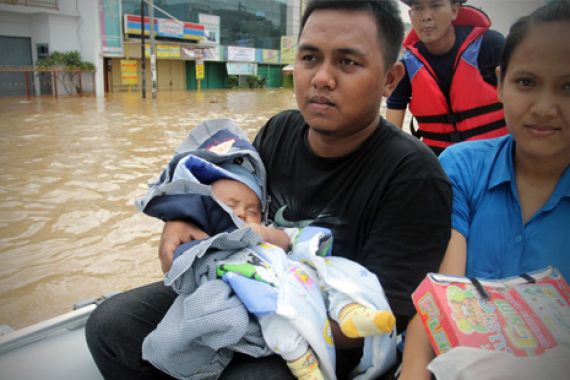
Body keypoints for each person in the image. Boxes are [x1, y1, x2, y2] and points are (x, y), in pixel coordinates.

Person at [85, 1, 452, 379]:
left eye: (347, 63)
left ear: (390, 80)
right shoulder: (280, 131)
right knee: (111, 326)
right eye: (310, 57)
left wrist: (250, 315)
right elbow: (232, 199)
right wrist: (182, 219)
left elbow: (380, 318)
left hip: (323, 339)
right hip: (241, 288)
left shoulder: (414, 177)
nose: (321, 78)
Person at [136, 121, 397, 379]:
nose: (241, 213)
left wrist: (263, 233)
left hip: (297, 279)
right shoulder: (279, 132)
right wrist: (177, 222)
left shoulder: (406, 170)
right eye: (230, 205)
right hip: (253, 295)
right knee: (111, 325)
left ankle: (351, 312)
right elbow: (184, 273)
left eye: (252, 210)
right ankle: (302, 362)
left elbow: (287, 239)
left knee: (335, 274)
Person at [399, 1, 570, 378]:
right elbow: (439, 298)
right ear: (499, 84)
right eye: (526, 82)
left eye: (568, 87)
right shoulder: (460, 168)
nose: (544, 107)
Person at [386, 0, 508, 156]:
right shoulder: (406, 67)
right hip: (441, 164)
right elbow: (391, 132)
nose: (426, 16)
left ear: (454, 11)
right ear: (410, 15)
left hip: (497, 157)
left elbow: (524, 99)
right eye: (417, 8)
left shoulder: (491, 46)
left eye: (436, 5)